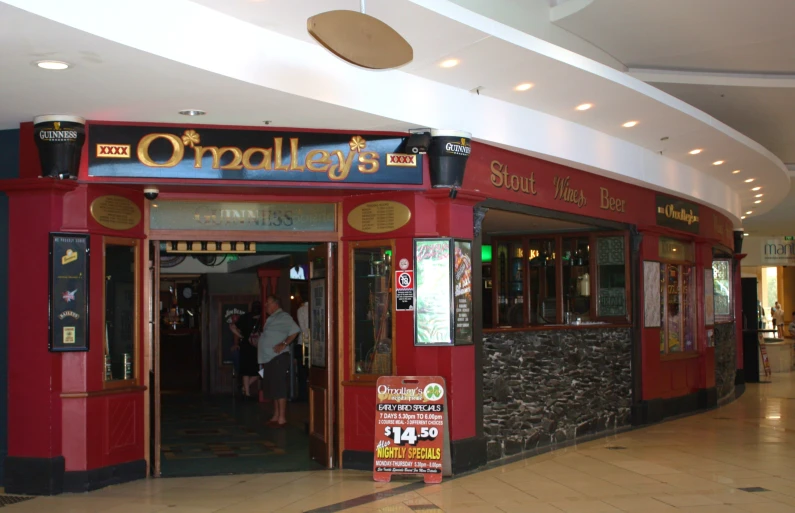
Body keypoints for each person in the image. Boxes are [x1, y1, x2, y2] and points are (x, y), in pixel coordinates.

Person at [257, 295, 300, 427]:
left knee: (279, 387)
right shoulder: (272, 318)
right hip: (270, 358)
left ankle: (282, 418)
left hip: (278, 357)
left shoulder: (283, 316)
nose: (265, 305)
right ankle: (276, 415)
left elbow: (295, 330)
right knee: (273, 388)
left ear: (276, 304)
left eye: (268, 303)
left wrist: (284, 343)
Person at [229, 300, 262, 398]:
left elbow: (232, 326)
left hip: (245, 346)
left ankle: (246, 392)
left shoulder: (245, 317)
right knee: (260, 370)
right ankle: (245, 388)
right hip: (258, 347)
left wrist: (242, 336)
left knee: (245, 371)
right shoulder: (263, 318)